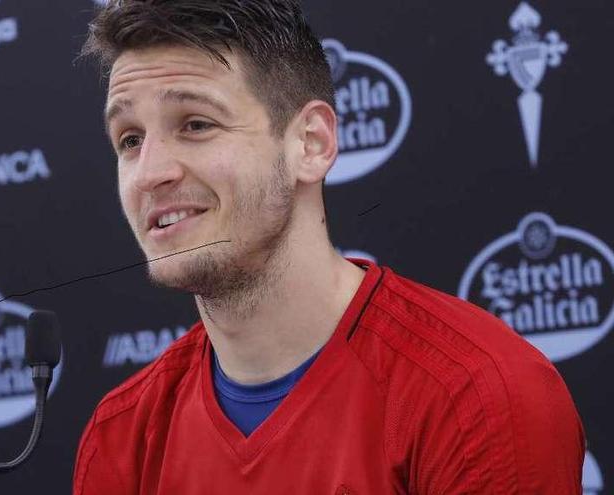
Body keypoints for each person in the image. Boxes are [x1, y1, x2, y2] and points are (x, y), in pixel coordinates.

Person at [73, 1, 585, 493]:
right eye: (130, 139)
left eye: (196, 124)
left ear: (311, 144)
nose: (151, 173)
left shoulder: (475, 394)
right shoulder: (122, 436)